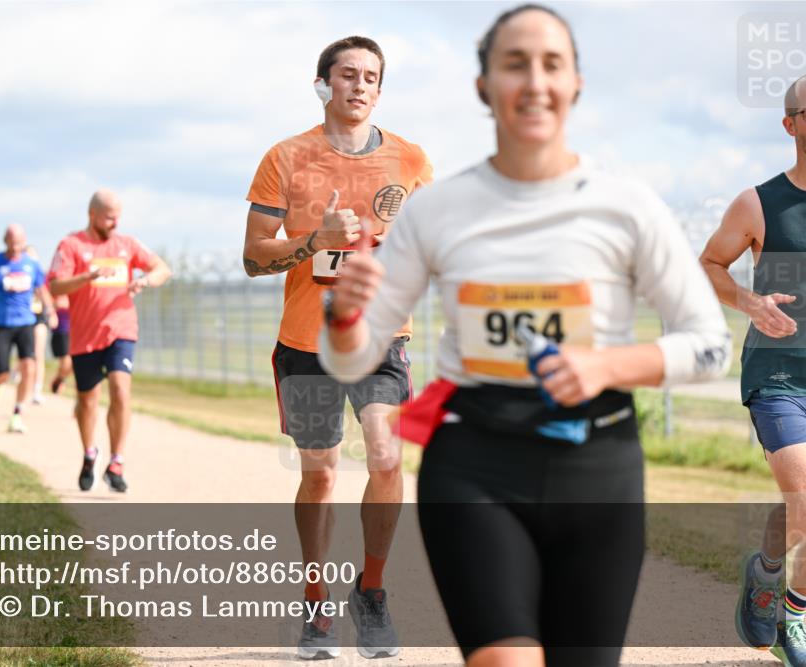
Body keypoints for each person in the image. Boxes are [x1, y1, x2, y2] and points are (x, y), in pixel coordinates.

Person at [318, 6, 732, 667]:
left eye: (551, 64)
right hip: (475, 463)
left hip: (596, 467)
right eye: (515, 64)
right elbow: (352, 358)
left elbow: (711, 342)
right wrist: (343, 316)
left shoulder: (626, 206)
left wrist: (609, 363)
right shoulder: (438, 209)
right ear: (485, 86)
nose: (534, 81)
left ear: (575, 84)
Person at [243, 36, 432, 660]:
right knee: (320, 474)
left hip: (381, 335)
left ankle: (371, 593)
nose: (359, 85)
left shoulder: (410, 161)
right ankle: (316, 599)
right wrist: (314, 240)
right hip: (306, 341)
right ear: (323, 84)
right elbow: (252, 257)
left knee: (384, 456)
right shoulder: (285, 157)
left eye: (371, 77)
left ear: (380, 89)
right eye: (347, 74)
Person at [700, 74, 806, 666]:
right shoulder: (759, 203)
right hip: (779, 376)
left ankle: (766, 572)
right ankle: (797, 613)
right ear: (790, 123)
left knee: (800, 505)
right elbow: (710, 264)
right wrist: (751, 302)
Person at [49, 189, 171, 493]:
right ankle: (90, 453)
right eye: (109, 216)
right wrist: (87, 277)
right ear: (92, 215)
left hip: (120, 329)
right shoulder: (71, 244)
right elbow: (54, 286)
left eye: (118, 216)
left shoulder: (127, 244)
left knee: (120, 389)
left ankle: (117, 460)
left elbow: (162, 269)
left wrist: (144, 280)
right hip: (85, 336)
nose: (115, 222)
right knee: (87, 401)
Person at [0, 225, 56, 433]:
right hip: (0, 323)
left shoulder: (32, 264)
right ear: (5, 240)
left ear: (24, 241)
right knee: (3, 373)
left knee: (29, 365)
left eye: (19, 241)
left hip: (25, 322)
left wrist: (51, 310)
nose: (15, 245)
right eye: (11, 240)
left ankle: (17, 414)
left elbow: (42, 288)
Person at [25, 246, 49, 404]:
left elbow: (48, 295)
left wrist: (52, 312)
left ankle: (37, 390)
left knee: (38, 354)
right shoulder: (19, 275)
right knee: (27, 356)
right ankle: (24, 384)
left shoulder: (42, 277)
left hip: (39, 317)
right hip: (23, 319)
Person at [49, 293, 72, 394]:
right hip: (61, 329)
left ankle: (60, 380)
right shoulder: (54, 280)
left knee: (73, 364)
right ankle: (59, 381)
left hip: (76, 329)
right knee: (66, 361)